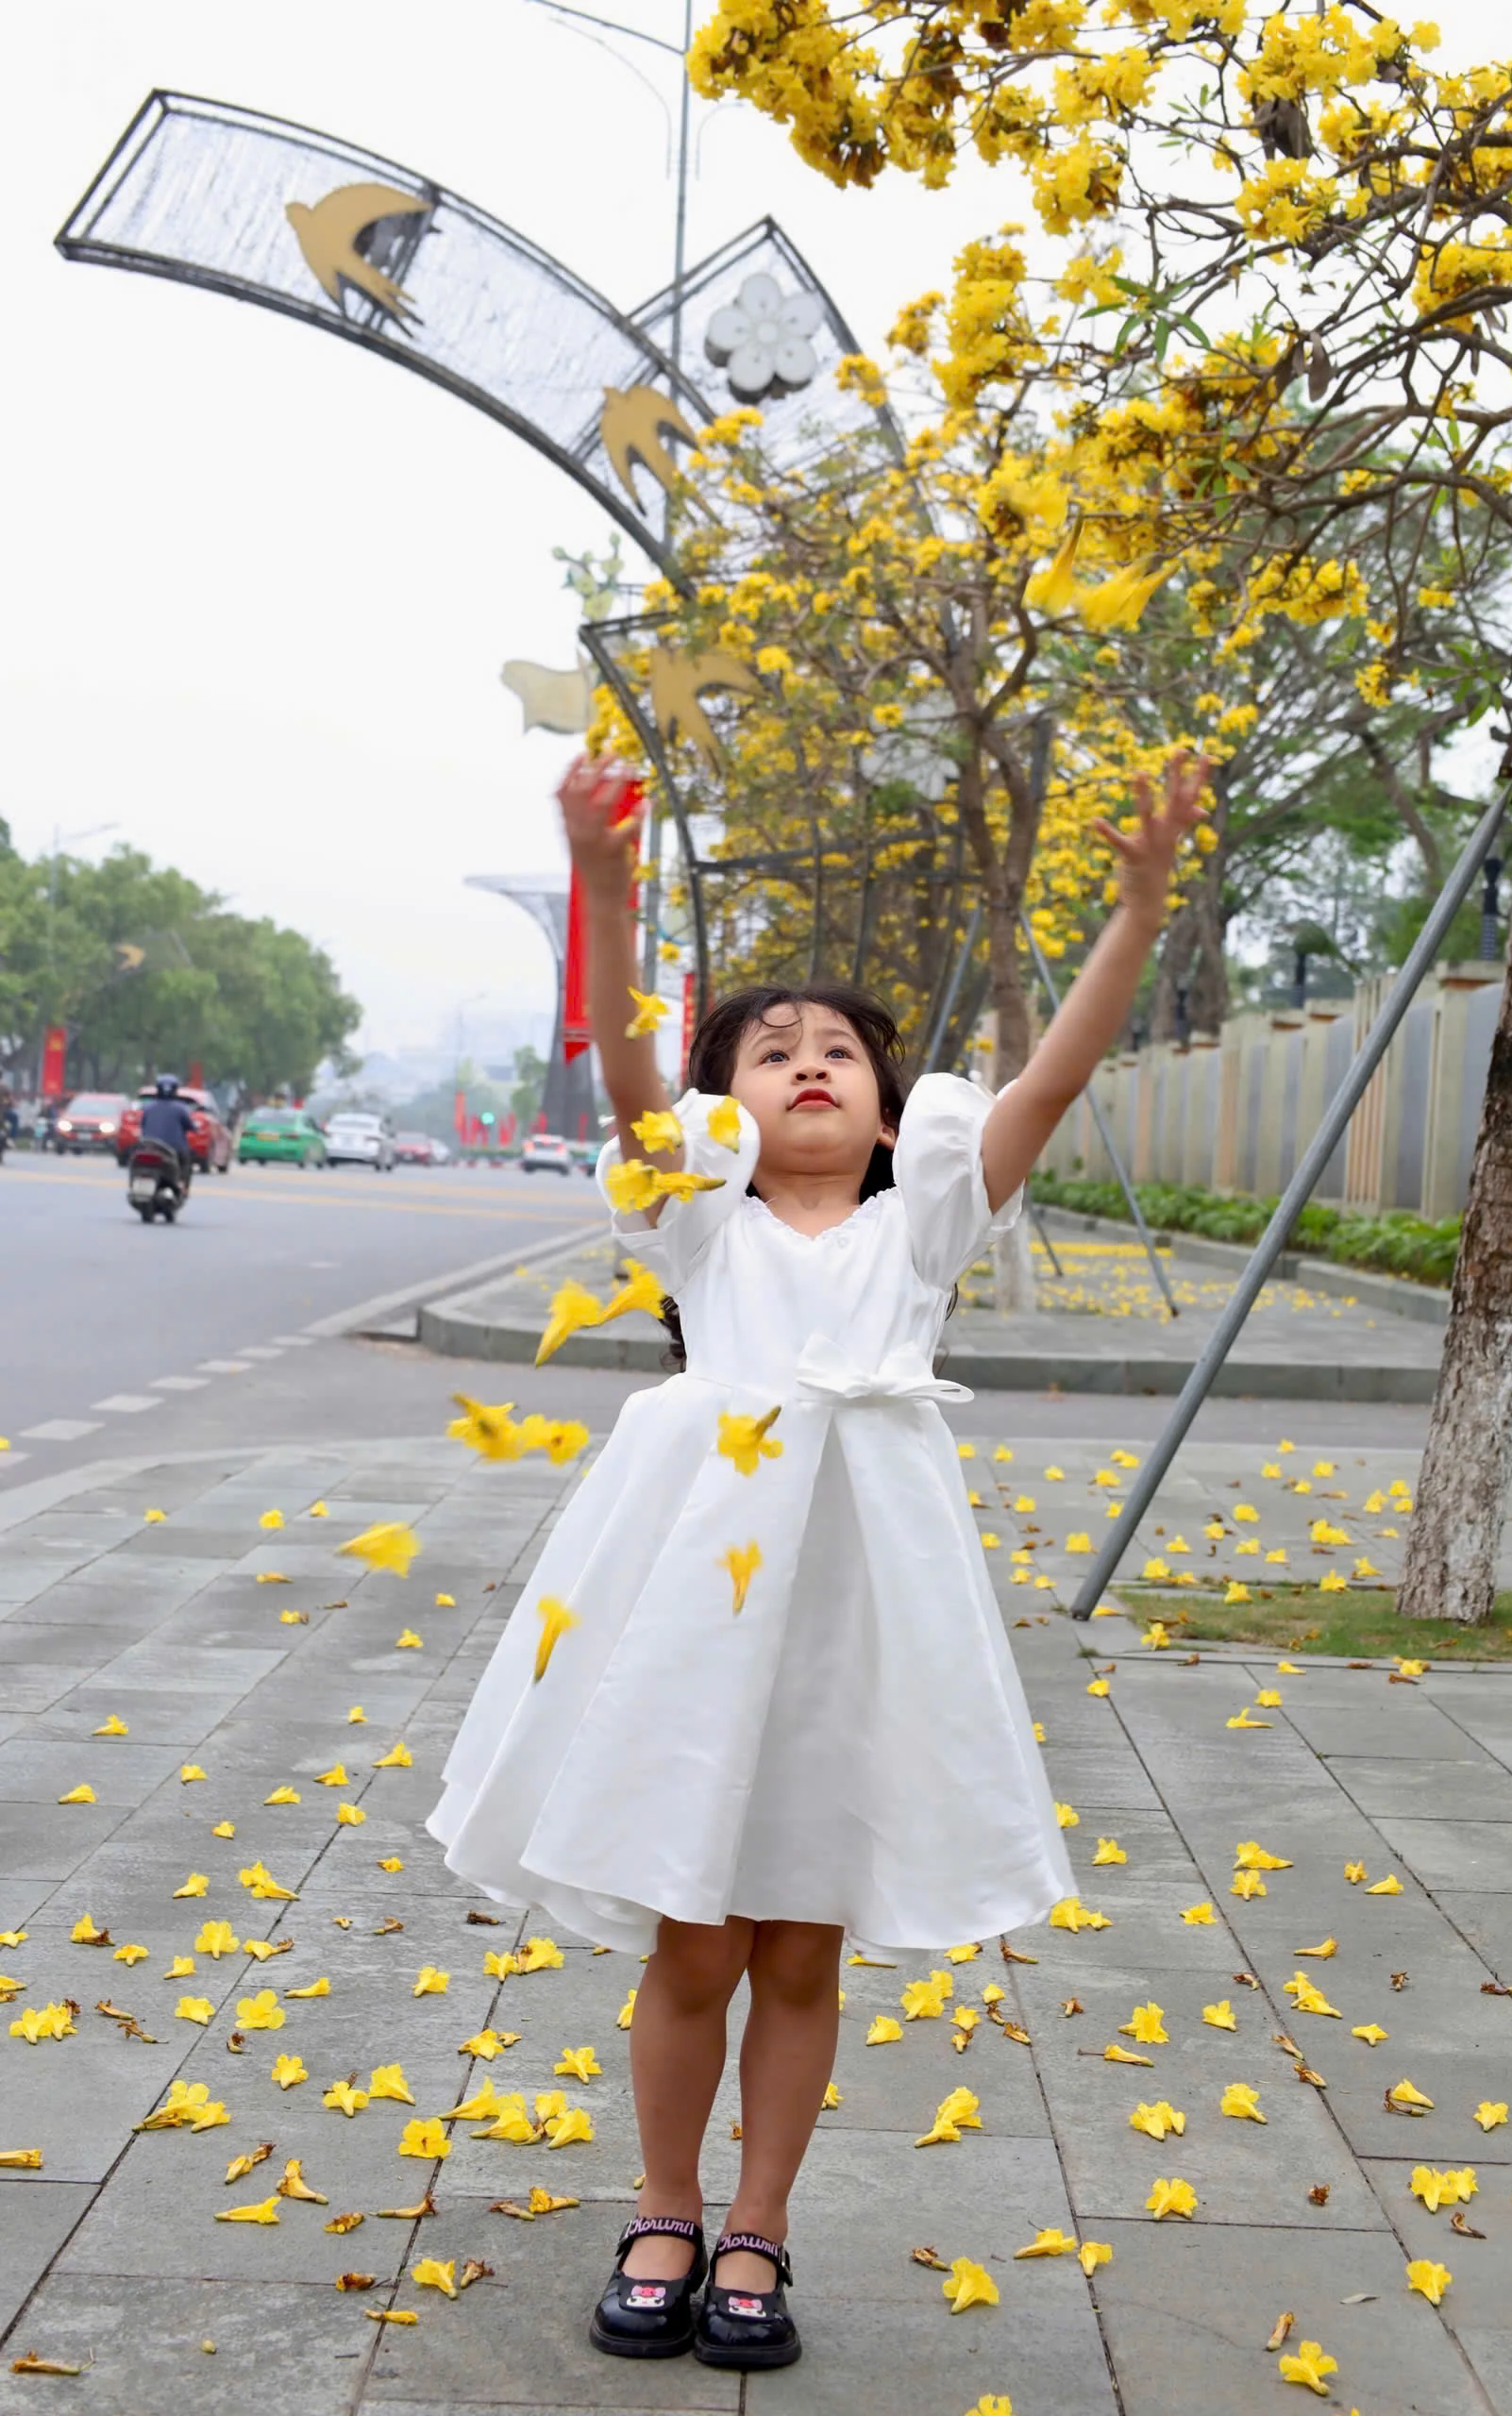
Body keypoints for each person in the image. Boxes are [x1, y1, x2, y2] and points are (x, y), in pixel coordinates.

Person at [428, 748, 1209, 2372]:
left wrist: (1135, 913)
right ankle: (662, 2204)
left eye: (838, 1051)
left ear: (882, 1102)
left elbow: (1047, 1084)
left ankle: (761, 2227)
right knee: (690, 1937)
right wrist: (608, 886)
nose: (806, 1067)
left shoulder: (924, 1225)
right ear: (727, 1105)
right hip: (693, 1628)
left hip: (857, 1628)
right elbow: (636, 1076)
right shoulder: (699, 1224)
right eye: (770, 1050)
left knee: (800, 1939)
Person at [138, 1075, 196, 1183]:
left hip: (148, 1146)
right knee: (186, 1161)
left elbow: (142, 1125)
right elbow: (191, 1127)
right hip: (174, 1149)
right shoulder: (181, 1108)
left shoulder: (148, 1107)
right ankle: (183, 1186)